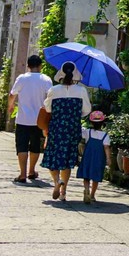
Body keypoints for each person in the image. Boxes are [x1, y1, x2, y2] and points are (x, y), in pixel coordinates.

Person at [38, 62, 90, 202]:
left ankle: (56, 182)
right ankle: (63, 192)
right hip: (72, 129)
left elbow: (48, 109)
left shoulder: (54, 90)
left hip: (56, 128)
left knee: (53, 157)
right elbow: (86, 110)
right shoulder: (81, 91)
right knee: (67, 159)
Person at [8, 54, 51, 183]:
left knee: (21, 146)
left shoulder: (22, 78)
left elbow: (12, 94)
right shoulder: (46, 79)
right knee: (35, 146)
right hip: (39, 120)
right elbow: (50, 98)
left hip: (22, 119)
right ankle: (31, 170)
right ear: (40, 66)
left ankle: (22, 174)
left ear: (28, 66)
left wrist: (10, 107)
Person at [77, 109, 109, 204]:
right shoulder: (105, 135)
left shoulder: (88, 132)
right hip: (99, 159)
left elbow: (80, 131)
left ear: (91, 122)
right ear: (103, 122)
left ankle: (86, 189)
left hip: (88, 157)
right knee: (96, 177)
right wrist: (108, 159)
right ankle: (92, 195)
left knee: (86, 176)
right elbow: (106, 148)